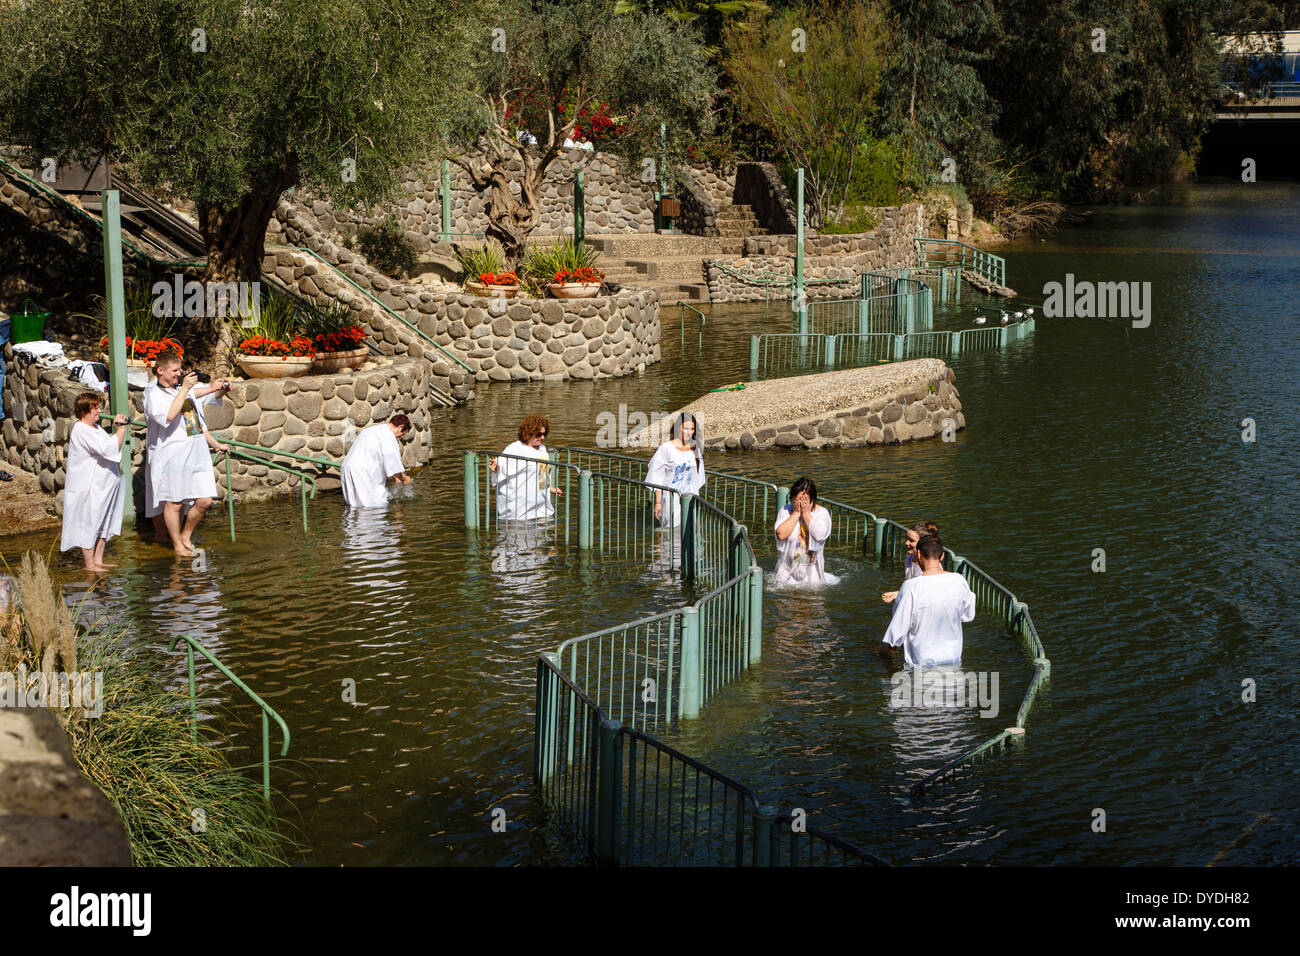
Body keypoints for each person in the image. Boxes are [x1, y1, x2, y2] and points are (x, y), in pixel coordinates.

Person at [143, 350, 231, 555]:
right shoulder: (152, 392)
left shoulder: (182, 389)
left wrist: (218, 389)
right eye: (174, 370)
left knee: (205, 501)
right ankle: (177, 544)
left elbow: (195, 422)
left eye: (179, 369)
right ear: (160, 371)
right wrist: (185, 388)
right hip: (172, 454)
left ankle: (186, 535)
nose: (178, 373)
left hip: (196, 454)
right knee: (174, 502)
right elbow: (168, 415)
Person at [878, 534, 975, 667]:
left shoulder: (911, 587)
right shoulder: (959, 581)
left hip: (921, 665)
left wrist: (884, 651)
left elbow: (897, 633)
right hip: (953, 661)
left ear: (918, 554)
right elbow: (967, 615)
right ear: (942, 556)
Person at [60, 392, 129, 571]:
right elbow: (107, 450)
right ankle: (89, 564)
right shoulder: (81, 430)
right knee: (90, 521)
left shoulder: (96, 428)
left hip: (105, 485)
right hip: (91, 486)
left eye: (99, 407)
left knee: (104, 521)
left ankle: (98, 560)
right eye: (95, 408)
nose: (99, 411)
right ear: (84, 411)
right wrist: (121, 429)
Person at [489, 414, 562, 521]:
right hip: (518, 506)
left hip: (539, 505)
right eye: (539, 434)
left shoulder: (542, 449)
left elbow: (543, 471)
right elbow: (502, 464)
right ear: (529, 433)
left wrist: (550, 488)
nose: (542, 437)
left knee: (544, 533)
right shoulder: (516, 448)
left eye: (544, 434)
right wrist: (495, 467)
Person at [646, 412, 705, 529]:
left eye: (692, 429)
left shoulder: (695, 449)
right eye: (686, 428)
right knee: (670, 531)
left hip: (690, 498)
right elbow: (656, 475)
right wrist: (657, 503)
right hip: (670, 499)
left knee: (690, 529)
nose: (689, 432)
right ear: (679, 428)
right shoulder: (666, 448)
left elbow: (698, 476)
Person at [773, 476, 834, 586]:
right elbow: (780, 534)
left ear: (812, 499)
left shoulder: (822, 513)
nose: (801, 504)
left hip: (812, 575)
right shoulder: (786, 510)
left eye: (805, 500)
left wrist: (806, 514)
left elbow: (819, 535)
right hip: (786, 572)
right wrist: (796, 514)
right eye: (798, 500)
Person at [340, 415, 412, 508]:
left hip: (347, 468)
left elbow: (383, 458)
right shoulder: (388, 436)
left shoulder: (372, 430)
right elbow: (393, 464)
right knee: (373, 505)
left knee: (355, 505)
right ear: (400, 427)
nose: (399, 437)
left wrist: (395, 477)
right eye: (403, 434)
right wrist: (404, 478)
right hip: (362, 472)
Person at [882, 523, 931, 603]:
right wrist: (898, 593)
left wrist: (898, 594)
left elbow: (925, 593)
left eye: (911, 540)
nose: (906, 543)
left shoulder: (930, 564)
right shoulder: (909, 559)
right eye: (906, 539)